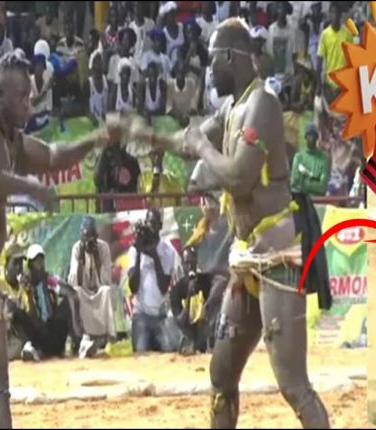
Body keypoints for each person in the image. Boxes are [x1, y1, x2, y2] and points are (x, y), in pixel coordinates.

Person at [129, 18, 331, 428]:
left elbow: (239, 177)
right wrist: (146, 136)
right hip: (246, 257)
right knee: (221, 375)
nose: (209, 69)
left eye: (213, 60)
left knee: (293, 384)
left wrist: (204, 150)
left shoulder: (263, 104)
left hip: (277, 255)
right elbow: (189, 141)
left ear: (230, 57)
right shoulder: (232, 107)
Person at [0, 52, 112, 429]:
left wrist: (97, 138)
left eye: (31, 97)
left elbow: (53, 156)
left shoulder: (9, 138)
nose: (29, 106)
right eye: (22, 97)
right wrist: (29, 187)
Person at [12, 244, 77, 362]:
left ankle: (75, 343)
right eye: (36, 262)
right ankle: (28, 348)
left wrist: (56, 284)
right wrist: (28, 292)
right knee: (16, 313)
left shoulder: (48, 279)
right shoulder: (25, 284)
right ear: (30, 265)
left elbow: (69, 291)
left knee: (66, 303)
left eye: (41, 261)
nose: (40, 265)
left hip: (51, 331)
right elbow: (30, 313)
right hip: (36, 334)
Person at [66, 216, 118, 358]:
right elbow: (74, 282)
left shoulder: (103, 247)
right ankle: (83, 338)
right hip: (84, 291)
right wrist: (81, 261)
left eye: (91, 237)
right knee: (76, 292)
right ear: (81, 237)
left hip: (98, 291)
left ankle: (109, 337)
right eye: (86, 237)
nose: (89, 241)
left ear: (96, 236)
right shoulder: (77, 248)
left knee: (107, 291)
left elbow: (106, 281)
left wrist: (97, 259)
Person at [128, 208, 178, 353]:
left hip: (161, 316)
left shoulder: (168, 250)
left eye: (155, 224)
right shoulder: (134, 250)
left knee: (170, 350)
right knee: (142, 352)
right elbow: (133, 287)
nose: (152, 228)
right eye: (149, 223)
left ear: (160, 226)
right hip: (141, 315)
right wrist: (139, 253)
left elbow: (163, 287)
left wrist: (155, 256)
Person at [170, 247, 229, 354]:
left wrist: (207, 305)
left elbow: (221, 281)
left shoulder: (204, 280)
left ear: (197, 262)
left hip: (204, 331)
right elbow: (180, 322)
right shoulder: (177, 290)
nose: (190, 267)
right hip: (188, 334)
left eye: (192, 263)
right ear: (182, 265)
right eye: (187, 264)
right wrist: (189, 297)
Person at [93, 118, 141, 212]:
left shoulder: (131, 161)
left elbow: (134, 185)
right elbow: (98, 180)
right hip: (106, 207)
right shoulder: (103, 157)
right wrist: (105, 151)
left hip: (125, 208)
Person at [316, 2, 353, 106]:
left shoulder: (347, 34)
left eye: (338, 13)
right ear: (330, 15)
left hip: (343, 83)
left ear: (341, 15)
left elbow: (353, 59)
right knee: (329, 111)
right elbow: (319, 60)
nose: (335, 16)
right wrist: (318, 84)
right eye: (333, 13)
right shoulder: (325, 35)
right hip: (329, 84)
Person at [290, 124, 330, 196]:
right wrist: (315, 183)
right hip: (301, 197)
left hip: (318, 199)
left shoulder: (323, 158)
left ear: (317, 138)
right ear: (305, 137)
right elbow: (295, 182)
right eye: (309, 135)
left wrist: (304, 183)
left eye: (314, 136)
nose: (311, 138)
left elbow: (323, 187)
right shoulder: (299, 157)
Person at [266, 2, 300, 87]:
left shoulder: (292, 31)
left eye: (283, 10)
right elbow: (269, 53)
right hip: (274, 75)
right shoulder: (271, 29)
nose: (281, 12)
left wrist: (295, 74)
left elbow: (294, 54)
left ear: (286, 13)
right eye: (279, 9)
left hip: (288, 76)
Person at [26, 47, 54, 133]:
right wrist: (45, 90)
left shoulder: (47, 82)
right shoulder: (29, 81)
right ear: (34, 68)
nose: (40, 69)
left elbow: (49, 108)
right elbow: (33, 102)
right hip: (31, 121)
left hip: (44, 119)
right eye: (38, 66)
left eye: (42, 66)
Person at [167, 58, 200, 126]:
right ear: (175, 72)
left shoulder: (191, 83)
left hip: (189, 120)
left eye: (183, 72)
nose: (180, 75)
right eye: (178, 72)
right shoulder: (170, 85)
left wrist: (187, 115)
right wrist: (179, 116)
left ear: (186, 73)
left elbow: (193, 107)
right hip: (175, 121)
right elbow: (168, 108)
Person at [84, 52, 109, 123]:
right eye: (97, 70)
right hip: (91, 122)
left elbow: (107, 104)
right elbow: (84, 107)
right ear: (93, 68)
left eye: (100, 69)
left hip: (103, 121)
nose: (99, 72)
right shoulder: (88, 84)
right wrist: (91, 117)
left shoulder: (106, 82)